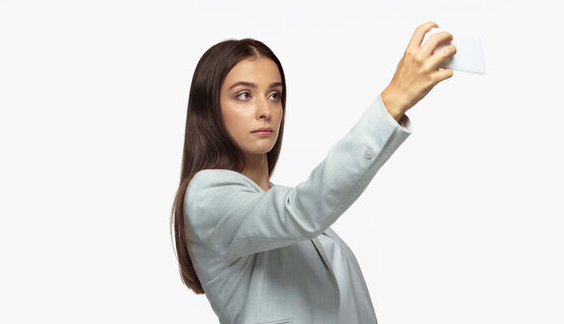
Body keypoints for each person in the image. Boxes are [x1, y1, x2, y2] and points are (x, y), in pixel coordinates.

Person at [170, 21, 456, 323]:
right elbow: (304, 209)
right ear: (209, 109)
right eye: (243, 95)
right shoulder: (207, 195)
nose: (264, 110)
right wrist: (393, 101)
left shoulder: (288, 212)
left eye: (274, 95)